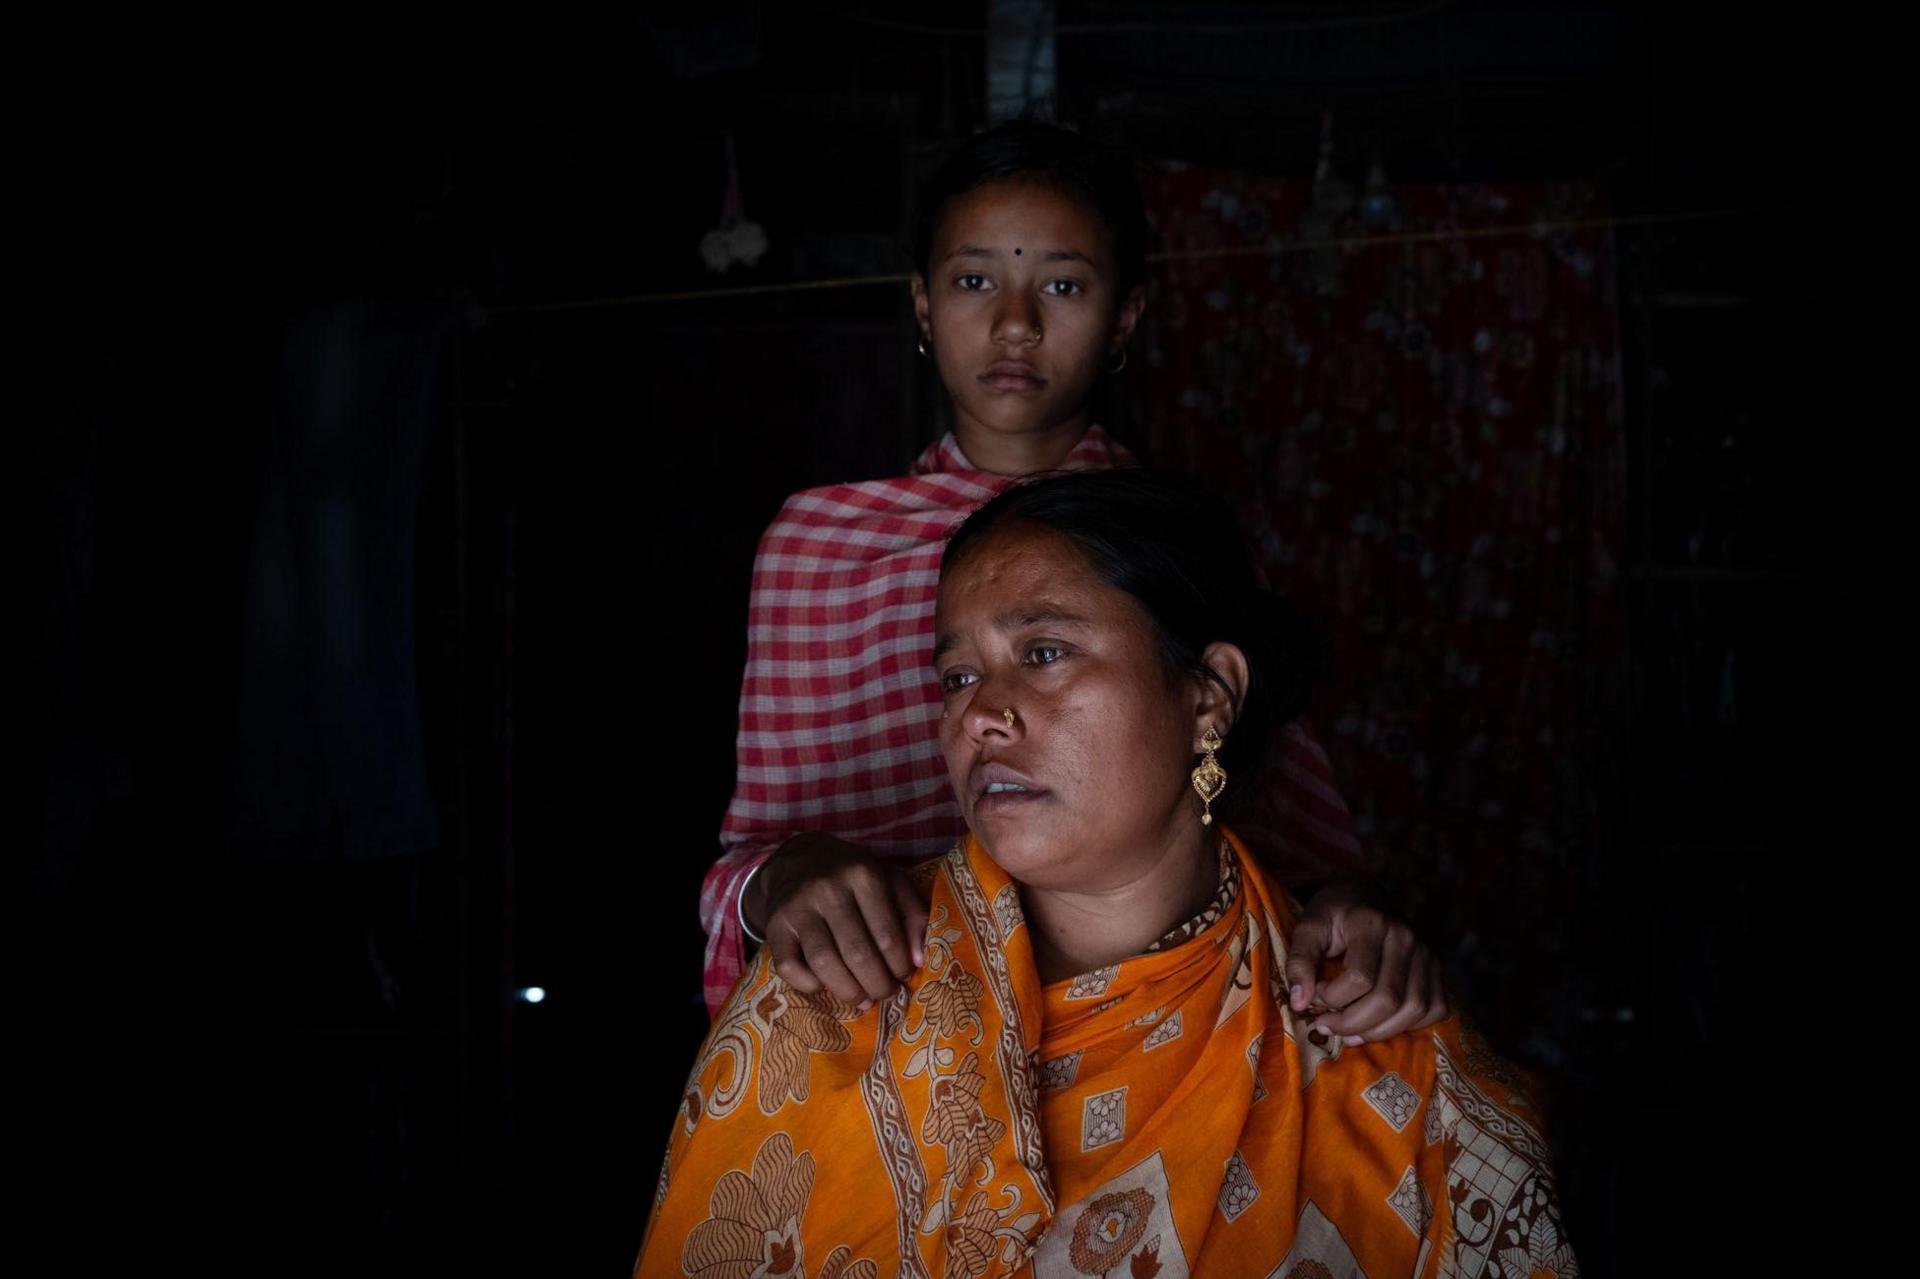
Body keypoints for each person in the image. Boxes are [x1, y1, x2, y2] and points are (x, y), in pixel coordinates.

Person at [639, 470, 1575, 1278]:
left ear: (1210, 697)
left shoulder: (1391, 1056)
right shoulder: (825, 1000)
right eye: (958, 677)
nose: (982, 716)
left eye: (1042, 653)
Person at [701, 121, 1443, 1048]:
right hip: (883, 1041)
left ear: (1125, 315)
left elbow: (1301, 846)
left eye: (1062, 284)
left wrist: (1354, 914)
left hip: (1160, 1035)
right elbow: (749, 866)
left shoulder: (1178, 551)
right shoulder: (818, 547)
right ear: (924, 308)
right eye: (976, 281)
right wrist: (790, 878)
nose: (1016, 323)